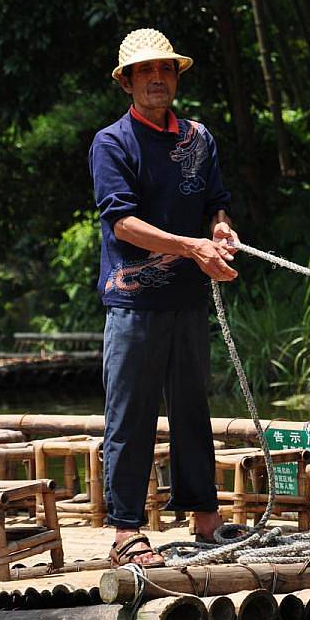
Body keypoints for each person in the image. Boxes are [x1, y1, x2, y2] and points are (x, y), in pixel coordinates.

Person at [89, 28, 238, 567]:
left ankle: (206, 519)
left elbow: (216, 204)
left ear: (176, 77)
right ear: (127, 82)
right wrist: (193, 246)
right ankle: (126, 530)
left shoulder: (198, 138)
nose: (157, 79)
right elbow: (123, 223)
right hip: (133, 304)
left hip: (189, 299)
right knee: (129, 415)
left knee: (193, 410)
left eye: (166, 70)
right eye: (145, 72)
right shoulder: (112, 143)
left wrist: (219, 232)